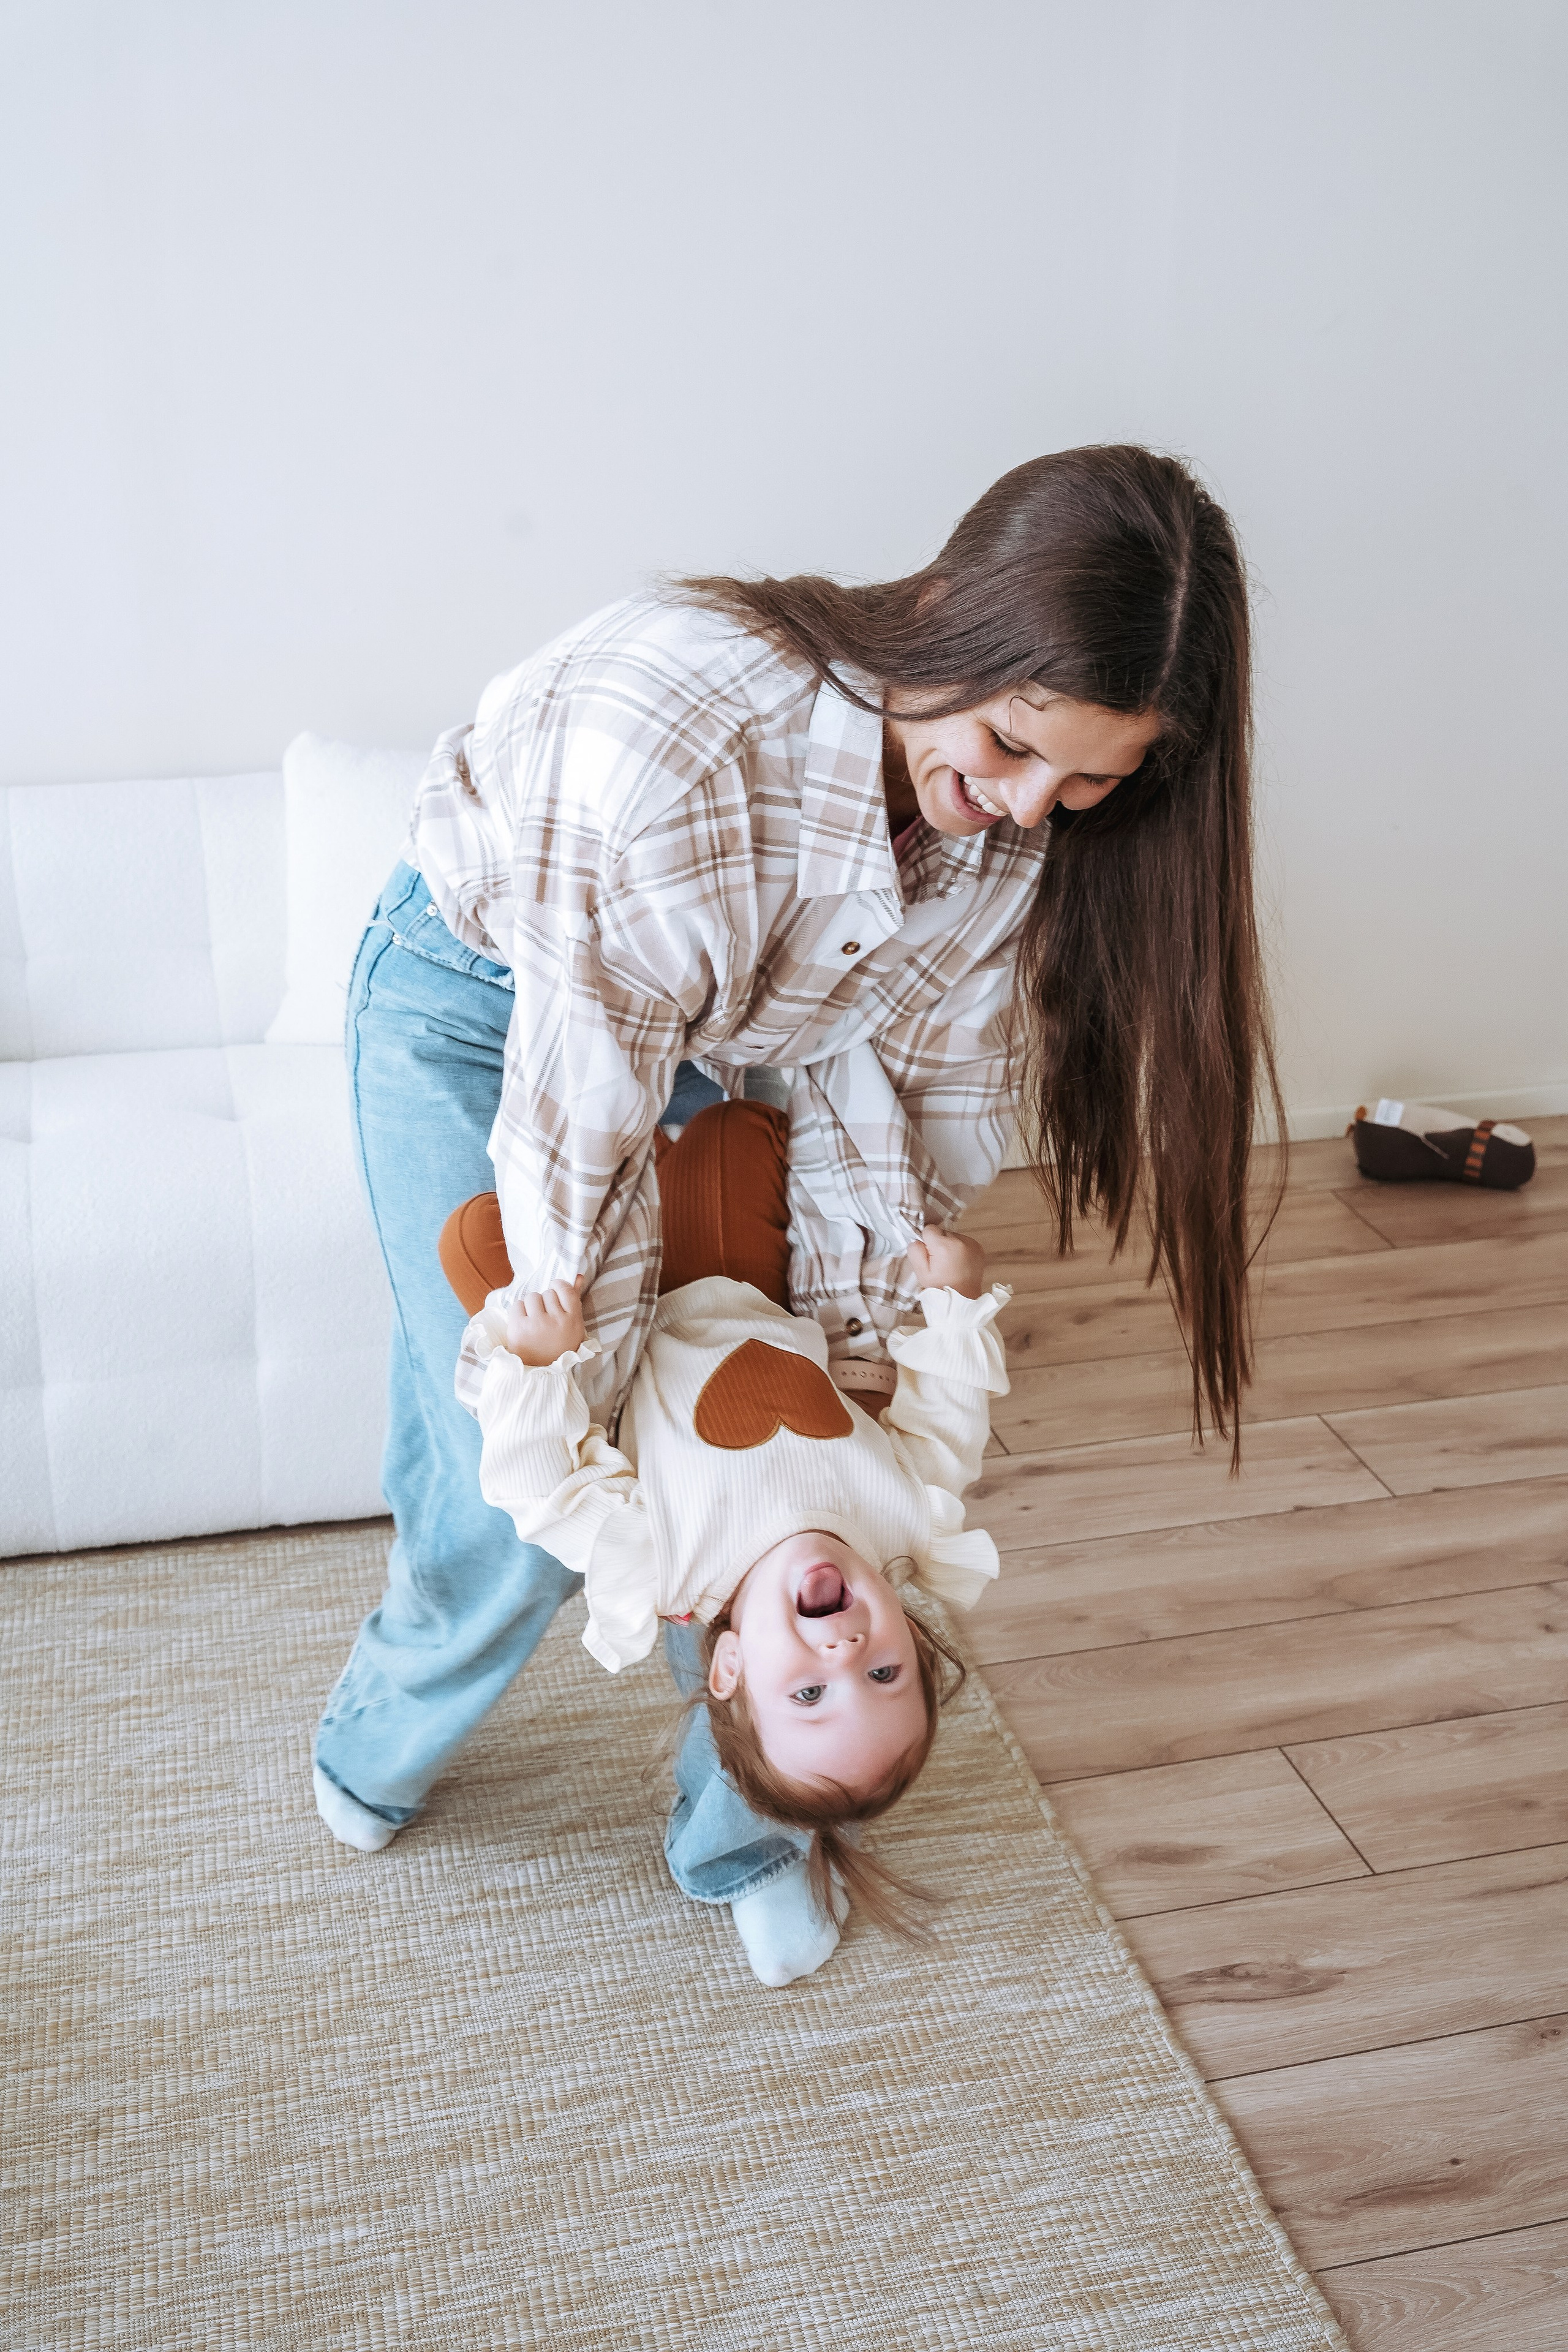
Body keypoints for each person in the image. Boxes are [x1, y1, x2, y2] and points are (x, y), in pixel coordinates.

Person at [313, 444, 1281, 1962]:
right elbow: (586, 1110)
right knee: (504, 1476)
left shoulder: (1012, 826)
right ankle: (377, 1734)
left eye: (1091, 780)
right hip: (482, 1000)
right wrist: (571, 1365)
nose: (1028, 811)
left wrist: (870, 1330)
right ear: (950, 611)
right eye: (1015, 746)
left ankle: (753, 1832)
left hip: (721, 1031)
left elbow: (905, 1081)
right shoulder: (680, 730)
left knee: (806, 1546)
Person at [443, 1097, 1007, 1985]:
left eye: (812, 1689)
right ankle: (789, 1830)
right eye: (885, 1673)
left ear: (733, 1664)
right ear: (913, 1632)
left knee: (472, 1239)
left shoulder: (662, 1564)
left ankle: (753, 1858)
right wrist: (957, 1305)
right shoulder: (905, 1514)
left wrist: (542, 1362)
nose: (848, 1648)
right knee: (737, 1130)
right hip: (740, 1288)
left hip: (624, 1327)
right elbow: (948, 1418)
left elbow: (540, 1490)